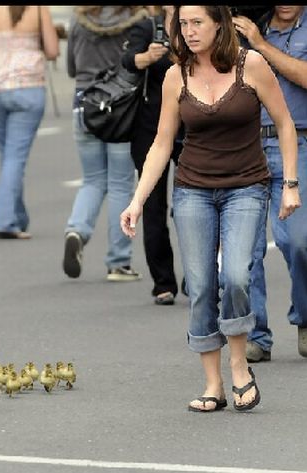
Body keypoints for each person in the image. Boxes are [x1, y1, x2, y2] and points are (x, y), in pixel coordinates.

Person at [120, 6, 301, 412]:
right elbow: (163, 143)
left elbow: (285, 123)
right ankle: (213, 383)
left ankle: (240, 366)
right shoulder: (174, 75)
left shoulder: (249, 65)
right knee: (201, 286)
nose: (189, 31)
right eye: (183, 24)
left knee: (235, 276)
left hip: (246, 189)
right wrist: (137, 200)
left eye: (197, 22)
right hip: (193, 192)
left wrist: (290, 183)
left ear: (219, 23)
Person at [231, 5, 307, 362]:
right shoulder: (247, 23)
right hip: (247, 145)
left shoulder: (261, 34)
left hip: (297, 144)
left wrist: (260, 44)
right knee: (248, 249)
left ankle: (305, 318)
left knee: (299, 241)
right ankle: (257, 334)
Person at [62, 6, 147, 280]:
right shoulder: (136, 20)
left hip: (85, 106)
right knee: (121, 184)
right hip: (119, 108)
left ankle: (77, 230)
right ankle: (118, 261)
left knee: (92, 180)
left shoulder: (79, 19)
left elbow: (71, 67)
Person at [0, 6, 59, 240]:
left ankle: (19, 217)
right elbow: (52, 50)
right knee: (15, 157)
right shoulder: (38, 10)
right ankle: (6, 221)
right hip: (27, 89)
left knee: (9, 155)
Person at [121, 6, 183, 302]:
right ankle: (163, 283)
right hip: (150, 128)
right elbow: (127, 59)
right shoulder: (148, 26)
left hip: (191, 125)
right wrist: (144, 58)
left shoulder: (197, 25)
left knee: (189, 206)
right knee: (153, 206)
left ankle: (197, 277)